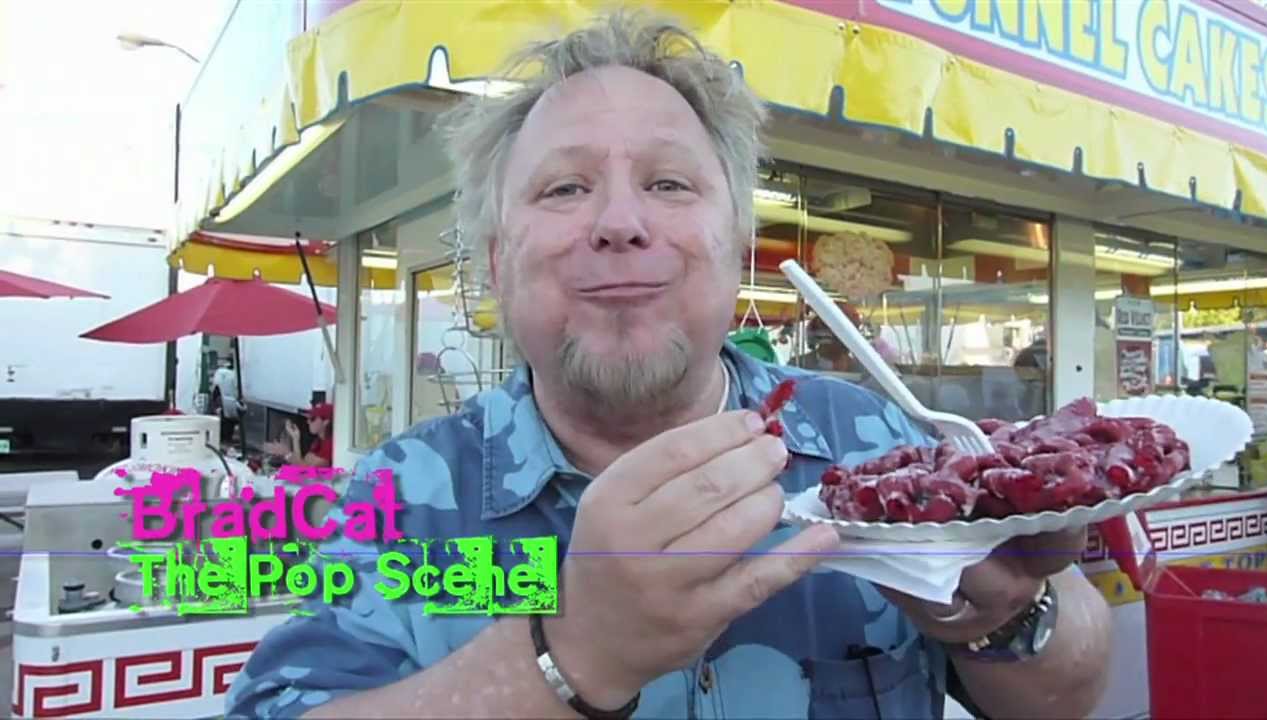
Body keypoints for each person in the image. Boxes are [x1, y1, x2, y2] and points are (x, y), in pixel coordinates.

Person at [225, 9, 1110, 719]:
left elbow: (1072, 693)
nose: (620, 222)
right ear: (497, 261)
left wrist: (1008, 615)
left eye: (670, 184)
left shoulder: (880, 445)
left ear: (736, 244)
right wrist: (569, 655)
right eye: (565, 187)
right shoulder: (406, 495)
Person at [264, 402, 333, 468]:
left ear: (326, 422)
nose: (308, 421)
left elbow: (307, 472)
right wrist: (295, 438)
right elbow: (300, 464)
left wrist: (287, 453)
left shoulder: (329, 445)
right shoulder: (319, 440)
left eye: (312, 419)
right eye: (308, 417)